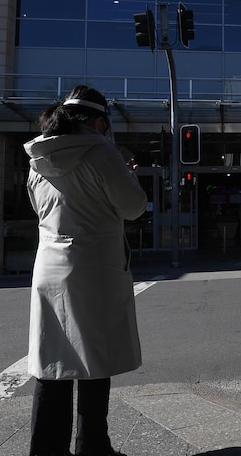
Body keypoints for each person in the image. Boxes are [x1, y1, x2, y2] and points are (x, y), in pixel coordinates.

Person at [24, 85, 149, 456]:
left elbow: (40, 208)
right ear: (98, 121)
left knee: (52, 362)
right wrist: (128, 176)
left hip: (49, 265)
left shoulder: (38, 158)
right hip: (93, 266)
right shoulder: (101, 152)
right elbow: (133, 207)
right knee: (97, 360)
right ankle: (93, 446)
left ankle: (46, 450)